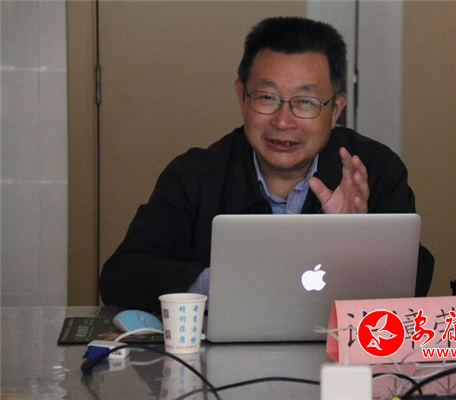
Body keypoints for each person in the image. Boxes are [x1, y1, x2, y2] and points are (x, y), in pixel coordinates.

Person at [99, 16, 434, 313]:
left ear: (335, 110)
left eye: (306, 102)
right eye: (266, 97)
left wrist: (356, 238)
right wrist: (225, 284)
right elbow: (121, 275)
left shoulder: (372, 170)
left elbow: (416, 281)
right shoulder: (195, 175)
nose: (283, 121)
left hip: (336, 358)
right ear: (242, 97)